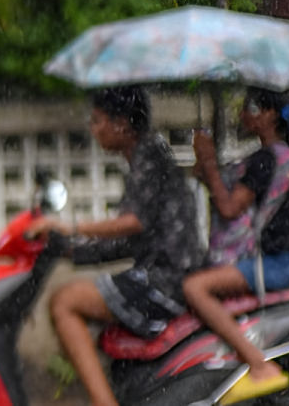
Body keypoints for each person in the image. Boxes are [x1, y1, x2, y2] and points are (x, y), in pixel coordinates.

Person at [28, 86, 202, 406]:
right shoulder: (145, 158)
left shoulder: (149, 154)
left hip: (165, 280)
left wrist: (68, 226)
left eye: (98, 121)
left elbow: (132, 222)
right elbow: (129, 240)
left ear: (121, 123)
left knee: (64, 302)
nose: (94, 129)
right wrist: (69, 249)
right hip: (164, 274)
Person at [183, 87, 289, 403]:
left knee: (195, 288)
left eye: (253, 108)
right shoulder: (275, 156)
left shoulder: (269, 159)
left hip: (282, 262)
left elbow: (228, 207)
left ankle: (258, 365)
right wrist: (205, 161)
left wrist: (210, 161)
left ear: (270, 116)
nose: (243, 114)